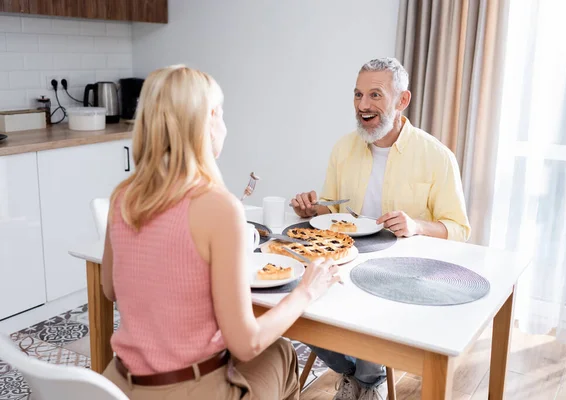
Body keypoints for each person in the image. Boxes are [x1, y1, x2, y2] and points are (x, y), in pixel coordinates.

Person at [100, 65, 340, 400]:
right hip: (187, 390)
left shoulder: (123, 196)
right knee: (282, 353)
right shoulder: (218, 206)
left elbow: (109, 288)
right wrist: (305, 292)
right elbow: (247, 342)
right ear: (209, 118)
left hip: (118, 386)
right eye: (222, 113)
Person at [291, 58, 471, 399]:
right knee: (294, 300)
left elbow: (459, 229)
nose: (363, 106)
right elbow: (332, 210)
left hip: (404, 275)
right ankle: (360, 378)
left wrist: (416, 225)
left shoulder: (437, 156)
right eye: (358, 95)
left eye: (375, 95)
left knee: (371, 312)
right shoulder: (343, 148)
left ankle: (363, 381)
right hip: (346, 262)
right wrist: (311, 209)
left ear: (402, 100)